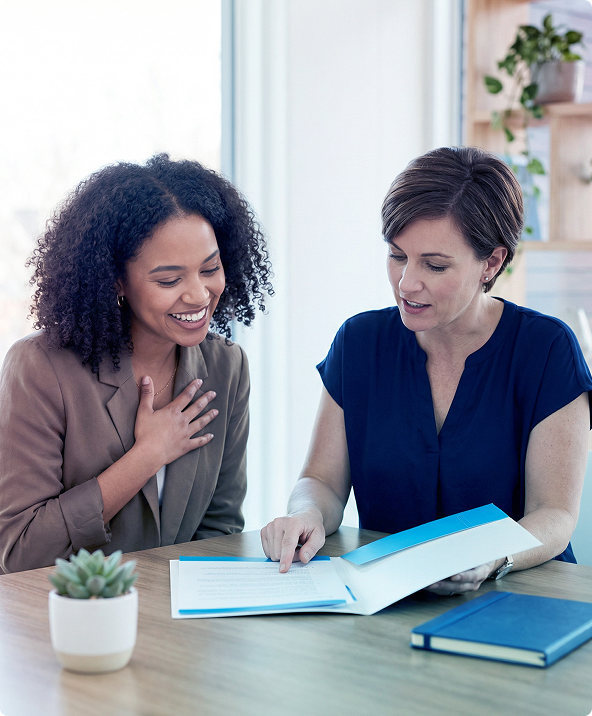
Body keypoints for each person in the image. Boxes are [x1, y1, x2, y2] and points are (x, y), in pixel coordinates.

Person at [261, 146, 592, 595]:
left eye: (434, 265)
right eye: (398, 256)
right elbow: (320, 481)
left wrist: (491, 555)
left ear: (491, 263)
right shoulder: (360, 343)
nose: (406, 283)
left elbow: (554, 513)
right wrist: (306, 514)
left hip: (522, 597)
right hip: (389, 600)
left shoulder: (546, 350)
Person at [0, 154, 272, 573]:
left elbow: (221, 531)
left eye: (210, 268)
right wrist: (147, 456)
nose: (199, 295)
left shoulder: (226, 367)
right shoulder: (40, 370)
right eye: (169, 280)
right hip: (73, 621)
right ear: (116, 280)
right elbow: (19, 552)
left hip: (180, 628)